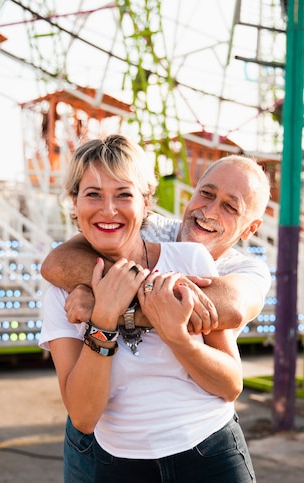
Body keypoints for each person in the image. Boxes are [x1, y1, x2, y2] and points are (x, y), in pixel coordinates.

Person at [39, 135, 258, 482]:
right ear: (75, 203)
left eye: (123, 194)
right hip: (117, 463)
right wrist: (103, 319)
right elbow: (83, 416)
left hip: (211, 452)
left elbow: (230, 385)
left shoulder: (191, 258)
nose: (108, 209)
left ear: (145, 204)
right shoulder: (60, 292)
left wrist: (173, 333)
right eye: (93, 194)